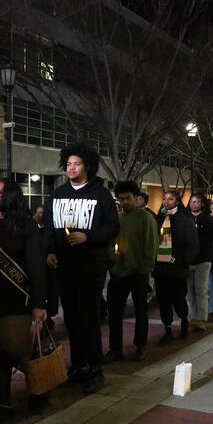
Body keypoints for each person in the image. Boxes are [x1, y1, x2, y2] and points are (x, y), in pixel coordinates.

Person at [0, 179, 48, 424]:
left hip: (15, 300)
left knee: (17, 349)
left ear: (10, 196)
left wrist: (39, 303)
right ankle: (3, 404)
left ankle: (40, 387)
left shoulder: (25, 224)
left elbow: (36, 266)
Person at [44, 143, 118, 394]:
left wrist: (88, 237)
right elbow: (49, 228)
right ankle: (77, 365)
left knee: (89, 317)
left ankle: (95, 368)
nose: (71, 168)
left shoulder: (101, 195)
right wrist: (50, 252)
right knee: (72, 318)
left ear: (87, 166)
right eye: (68, 164)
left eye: (76, 164)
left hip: (91, 266)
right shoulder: (57, 194)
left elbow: (112, 227)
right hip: (65, 265)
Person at [105, 180, 158, 362]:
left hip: (138, 272)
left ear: (136, 198)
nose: (125, 202)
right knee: (114, 312)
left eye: (128, 198)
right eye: (121, 199)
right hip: (119, 273)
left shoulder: (145, 218)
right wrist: (113, 259)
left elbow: (151, 245)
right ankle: (115, 348)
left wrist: (145, 268)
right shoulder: (118, 219)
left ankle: (140, 345)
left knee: (141, 310)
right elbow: (111, 244)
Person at [153, 190, 198, 344]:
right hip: (160, 267)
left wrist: (184, 261)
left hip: (177, 268)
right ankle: (167, 329)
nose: (166, 201)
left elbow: (192, 245)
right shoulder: (158, 219)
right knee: (163, 300)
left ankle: (184, 321)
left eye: (170, 199)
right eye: (164, 199)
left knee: (178, 298)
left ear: (177, 201)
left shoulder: (185, 220)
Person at [186, 193, 213, 332]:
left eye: (197, 201)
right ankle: (193, 315)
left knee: (201, 290)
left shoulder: (207, 219)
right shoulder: (185, 218)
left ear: (202, 203)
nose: (194, 204)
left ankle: (202, 318)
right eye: (192, 201)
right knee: (190, 291)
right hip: (188, 260)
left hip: (203, 259)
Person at [33, 204, 60, 331]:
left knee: (49, 294)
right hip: (37, 267)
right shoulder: (32, 229)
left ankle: (48, 320)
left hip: (49, 269)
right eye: (37, 212)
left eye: (41, 213)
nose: (38, 215)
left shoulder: (51, 231)